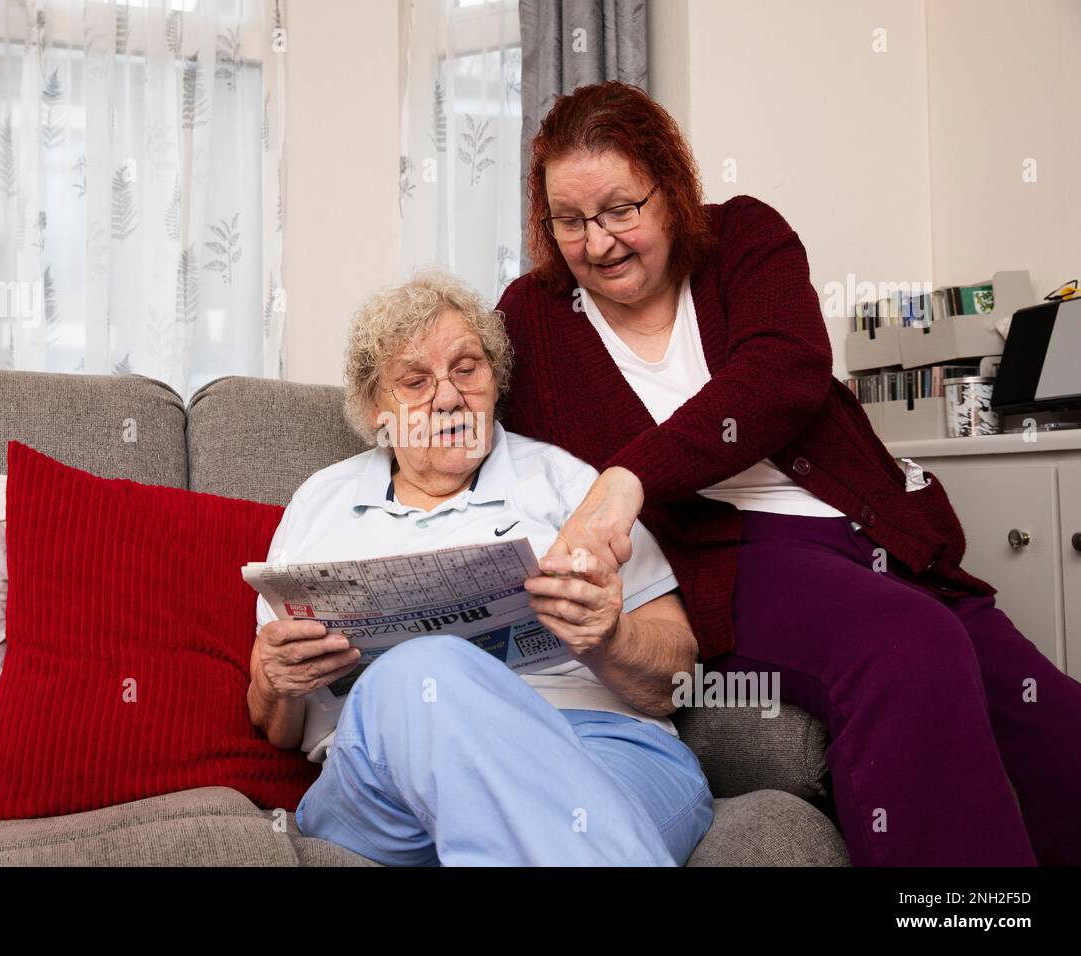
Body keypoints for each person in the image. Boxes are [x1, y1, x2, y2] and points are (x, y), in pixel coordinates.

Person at [494, 79, 1081, 866]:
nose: (597, 243)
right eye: (570, 221)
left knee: (1054, 724)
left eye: (621, 209)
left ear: (671, 188)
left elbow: (785, 371)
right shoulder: (533, 316)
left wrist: (625, 478)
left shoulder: (744, 237)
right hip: (729, 560)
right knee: (907, 648)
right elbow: (464, 413)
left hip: (869, 528)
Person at [246, 270, 713, 866]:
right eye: (415, 381)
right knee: (421, 674)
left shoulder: (567, 483)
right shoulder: (321, 502)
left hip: (592, 745)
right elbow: (277, 726)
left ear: (495, 381)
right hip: (385, 784)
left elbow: (677, 678)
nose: (447, 397)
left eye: (466, 369)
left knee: (561, 815)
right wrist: (275, 682)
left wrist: (609, 636)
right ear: (374, 409)